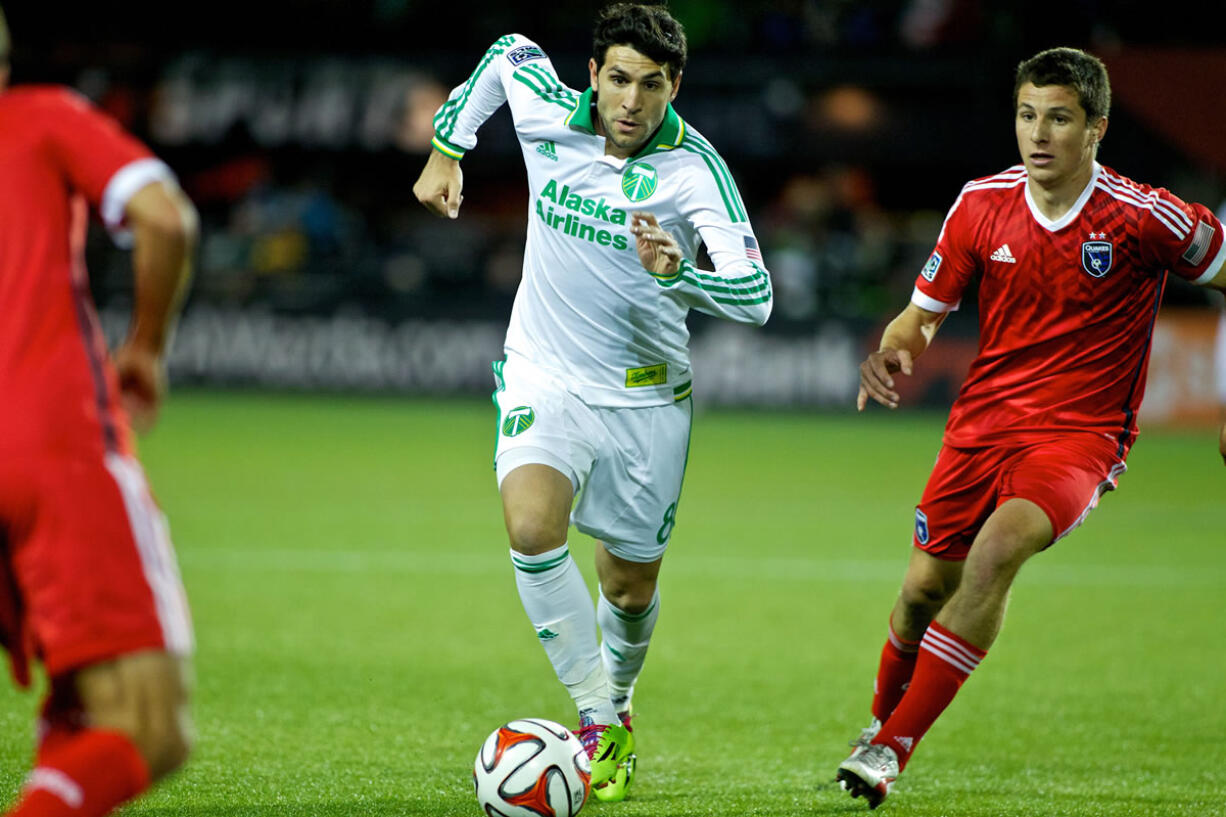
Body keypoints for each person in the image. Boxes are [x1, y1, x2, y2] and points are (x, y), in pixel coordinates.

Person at [836, 46, 1226, 809]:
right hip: (980, 427)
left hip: (1081, 436)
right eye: (1026, 116)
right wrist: (894, 345)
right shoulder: (981, 204)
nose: (1038, 134)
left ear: (1096, 128)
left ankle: (892, 748)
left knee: (998, 551)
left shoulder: (1147, 217)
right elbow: (922, 315)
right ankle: (878, 724)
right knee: (921, 592)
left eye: (1058, 118)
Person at [413, 3, 771, 803]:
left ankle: (621, 697)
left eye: (651, 85)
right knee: (533, 526)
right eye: (617, 79)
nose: (631, 101)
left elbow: (755, 296)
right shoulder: (551, 114)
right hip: (544, 369)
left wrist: (680, 275)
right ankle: (599, 719)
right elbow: (507, 52)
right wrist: (449, 146)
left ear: (674, 85)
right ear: (594, 76)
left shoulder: (696, 171)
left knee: (627, 586)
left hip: (645, 401)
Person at [0, 7, 198, 816]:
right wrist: (145, 345)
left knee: (79, 709)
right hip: (47, 443)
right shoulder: (38, 120)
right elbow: (163, 216)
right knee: (149, 727)